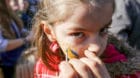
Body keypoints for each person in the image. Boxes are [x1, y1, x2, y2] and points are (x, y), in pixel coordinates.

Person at [33, 0, 140, 78]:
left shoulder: (129, 72)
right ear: (49, 32)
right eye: (78, 34)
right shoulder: (43, 65)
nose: (96, 47)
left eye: (103, 30)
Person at [0, 0, 33, 78]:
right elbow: (2, 45)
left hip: (19, 59)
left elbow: (18, 29)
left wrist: (28, 33)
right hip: (9, 64)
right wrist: (25, 40)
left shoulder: (9, 13)